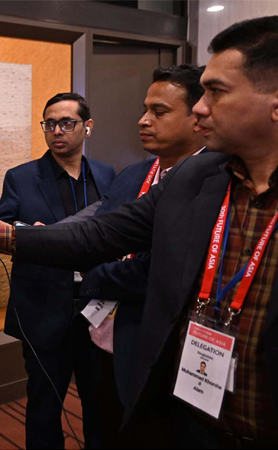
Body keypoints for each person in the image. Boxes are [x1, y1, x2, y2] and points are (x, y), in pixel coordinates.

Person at [0, 16, 278, 448]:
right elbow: (98, 234)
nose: (200, 109)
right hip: (194, 412)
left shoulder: (144, 171)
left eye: (216, 92)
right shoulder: (199, 178)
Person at [77, 64, 206, 447]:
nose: (143, 120)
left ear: (198, 117)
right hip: (100, 337)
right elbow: (97, 234)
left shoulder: (211, 183)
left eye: (159, 112)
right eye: (144, 109)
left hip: (154, 351)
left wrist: (91, 275)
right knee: (98, 431)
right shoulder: (134, 174)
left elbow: (158, 272)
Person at [0, 92, 115, 448]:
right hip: (44, 309)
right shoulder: (21, 177)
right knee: (44, 407)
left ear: (87, 127)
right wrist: (27, 235)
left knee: (102, 405)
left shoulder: (107, 175)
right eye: (50, 124)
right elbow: (2, 232)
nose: (57, 131)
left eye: (67, 123)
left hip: (99, 309)